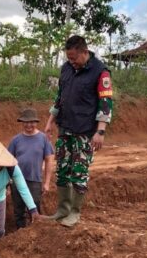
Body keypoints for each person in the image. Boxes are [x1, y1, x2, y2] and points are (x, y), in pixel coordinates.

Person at [43, 35, 114, 227]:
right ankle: (62, 209)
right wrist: (50, 121)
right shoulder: (66, 69)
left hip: (85, 131)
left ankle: (75, 212)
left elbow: (105, 102)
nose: (71, 62)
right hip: (65, 129)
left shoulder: (100, 72)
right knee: (63, 171)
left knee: (79, 172)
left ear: (84, 52)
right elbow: (60, 98)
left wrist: (100, 131)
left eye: (74, 57)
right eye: (68, 58)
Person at [7, 108, 55, 228]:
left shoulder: (43, 139)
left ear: (36, 122)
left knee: (34, 209)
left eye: (32, 122)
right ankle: (20, 233)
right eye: (26, 122)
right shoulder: (15, 140)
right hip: (16, 181)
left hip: (35, 180)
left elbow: (49, 160)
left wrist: (47, 182)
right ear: (22, 123)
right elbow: (7, 162)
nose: (29, 125)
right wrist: (7, 184)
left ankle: (34, 234)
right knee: (18, 210)